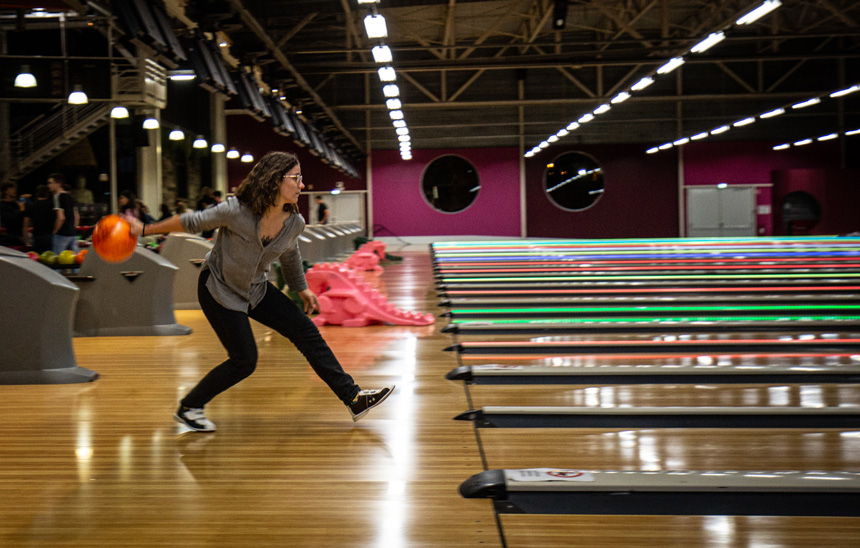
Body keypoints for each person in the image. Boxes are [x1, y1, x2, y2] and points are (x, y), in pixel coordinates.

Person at [123, 151, 393, 432]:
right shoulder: (236, 210)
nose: (302, 185)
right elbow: (193, 222)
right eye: (296, 178)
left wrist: (302, 289)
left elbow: (290, 257)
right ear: (276, 180)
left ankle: (353, 398)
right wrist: (144, 229)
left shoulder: (294, 222)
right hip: (218, 288)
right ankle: (190, 407)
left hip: (255, 289)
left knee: (305, 331)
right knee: (244, 360)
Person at [47, 173, 79, 254]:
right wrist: (73, 229)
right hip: (73, 234)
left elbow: (61, 218)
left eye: (50, 183)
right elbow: (77, 216)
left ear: (58, 184)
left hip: (62, 234)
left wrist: (55, 231)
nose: (48, 185)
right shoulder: (71, 197)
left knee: (58, 260)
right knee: (73, 260)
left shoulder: (57, 196)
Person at [26, 185, 56, 253]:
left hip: (37, 235)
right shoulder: (52, 205)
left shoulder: (31, 205)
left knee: (38, 258)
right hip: (50, 235)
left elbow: (26, 223)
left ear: (37, 194)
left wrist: (26, 239)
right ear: (48, 194)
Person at [0, 182, 26, 247]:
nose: (14, 190)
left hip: (20, 235)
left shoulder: (16, 204)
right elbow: (10, 219)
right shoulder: (2, 205)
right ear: (5, 191)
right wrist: (21, 210)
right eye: (11, 188)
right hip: (9, 237)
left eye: (14, 188)